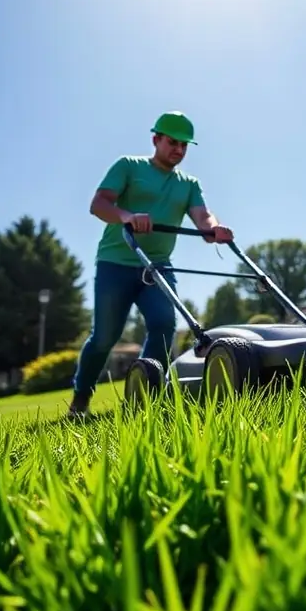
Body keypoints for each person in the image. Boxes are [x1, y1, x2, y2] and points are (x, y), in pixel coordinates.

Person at [66, 111, 233, 420]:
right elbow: (99, 204)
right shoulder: (129, 166)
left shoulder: (189, 184)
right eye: (173, 142)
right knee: (104, 337)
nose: (179, 150)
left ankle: (144, 398)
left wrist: (214, 229)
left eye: (184, 146)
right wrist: (127, 217)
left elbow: (202, 217)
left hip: (156, 266)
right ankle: (80, 401)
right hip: (115, 262)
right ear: (156, 139)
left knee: (163, 324)